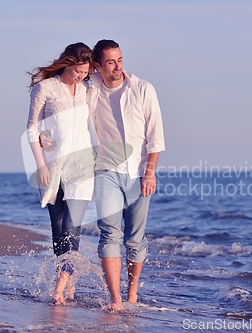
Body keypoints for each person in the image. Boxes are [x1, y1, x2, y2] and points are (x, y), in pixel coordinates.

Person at [89, 39, 165, 311]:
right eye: (110, 62)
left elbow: (155, 136)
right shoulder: (90, 89)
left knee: (135, 238)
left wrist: (150, 173)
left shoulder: (143, 89)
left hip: (138, 173)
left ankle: (132, 294)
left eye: (120, 59)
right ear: (97, 66)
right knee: (109, 234)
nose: (117, 66)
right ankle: (116, 300)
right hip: (105, 171)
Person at [26, 42, 97, 305]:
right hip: (52, 166)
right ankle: (68, 280)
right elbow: (32, 128)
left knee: (71, 227)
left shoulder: (87, 88)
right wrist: (40, 165)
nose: (81, 76)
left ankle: (60, 286)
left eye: (85, 72)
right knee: (57, 230)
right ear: (67, 63)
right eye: (78, 71)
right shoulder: (45, 88)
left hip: (82, 165)